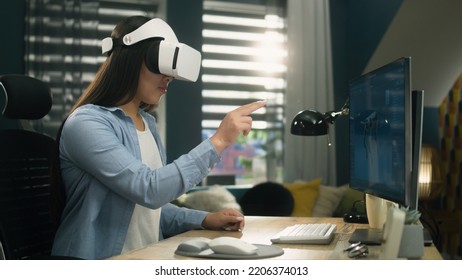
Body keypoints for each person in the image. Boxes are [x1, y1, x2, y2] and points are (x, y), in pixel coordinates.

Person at [51, 15, 266, 260]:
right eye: (159, 63)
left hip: (144, 257)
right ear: (129, 60)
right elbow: (149, 189)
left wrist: (204, 218)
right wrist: (218, 141)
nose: (169, 77)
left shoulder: (148, 124)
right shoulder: (87, 123)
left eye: (171, 69)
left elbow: (147, 210)